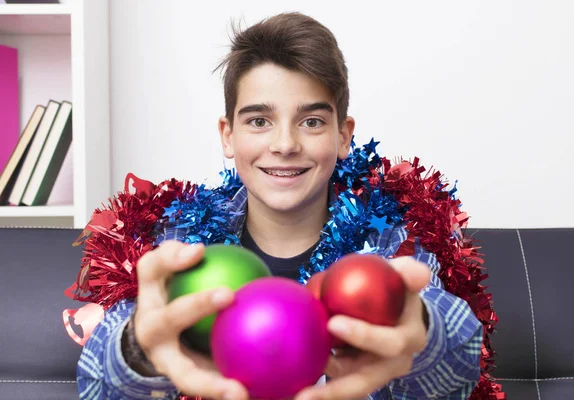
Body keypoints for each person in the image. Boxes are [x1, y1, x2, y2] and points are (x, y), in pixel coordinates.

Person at [71, 12, 500, 400]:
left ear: (343, 135)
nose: (285, 144)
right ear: (227, 135)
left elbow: (461, 362)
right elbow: (96, 384)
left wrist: (422, 328)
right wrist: (139, 350)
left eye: (311, 122)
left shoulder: (391, 239)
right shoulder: (180, 244)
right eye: (259, 121)